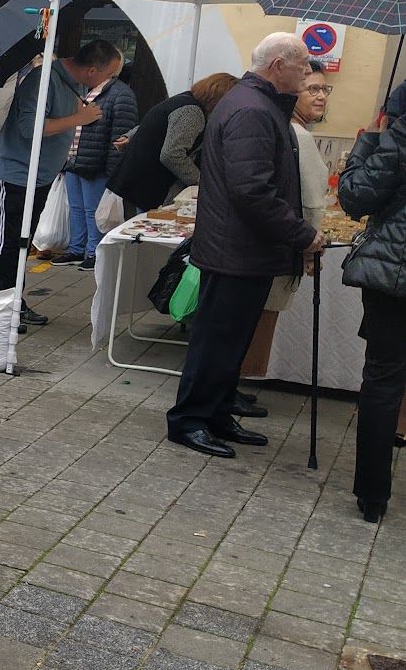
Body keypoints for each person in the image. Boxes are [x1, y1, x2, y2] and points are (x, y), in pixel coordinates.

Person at [165, 33, 324, 459]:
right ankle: (190, 420)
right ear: (278, 66)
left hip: (243, 248)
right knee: (215, 341)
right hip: (235, 249)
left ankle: (215, 412)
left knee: (230, 341)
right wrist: (301, 233)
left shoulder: (256, 104)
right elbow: (251, 190)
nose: (307, 73)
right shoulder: (253, 109)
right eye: (303, 65)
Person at [0, 40, 122, 327]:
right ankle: (1, 311)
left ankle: (16, 303)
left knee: (24, 242)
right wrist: (79, 118)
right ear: (92, 70)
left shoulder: (75, 84)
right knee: (8, 244)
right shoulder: (43, 80)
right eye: (109, 74)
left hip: (41, 176)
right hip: (13, 175)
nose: (109, 81)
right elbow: (30, 128)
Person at [242, 62, 333, 385]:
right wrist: (310, 246)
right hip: (283, 245)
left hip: (268, 242)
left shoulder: (282, 127)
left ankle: (238, 385)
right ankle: (245, 383)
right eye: (312, 89)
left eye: (324, 89)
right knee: (262, 321)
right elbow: (309, 202)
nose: (321, 97)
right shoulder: (297, 135)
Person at [338, 110, 406, 524]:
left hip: (394, 272)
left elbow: (355, 197)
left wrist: (370, 139)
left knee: (383, 377)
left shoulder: (399, 134)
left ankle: (373, 495)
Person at [109, 73, 238, 214]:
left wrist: (131, 136)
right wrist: (200, 181)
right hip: (152, 186)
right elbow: (171, 154)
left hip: (140, 181)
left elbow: (157, 121)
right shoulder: (192, 112)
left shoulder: (183, 99)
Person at [56, 71, 138, 270]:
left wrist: (113, 171)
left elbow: (119, 134)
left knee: (94, 211)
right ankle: (77, 249)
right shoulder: (82, 89)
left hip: (96, 163)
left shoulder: (121, 94)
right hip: (73, 158)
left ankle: (94, 252)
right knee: (75, 208)